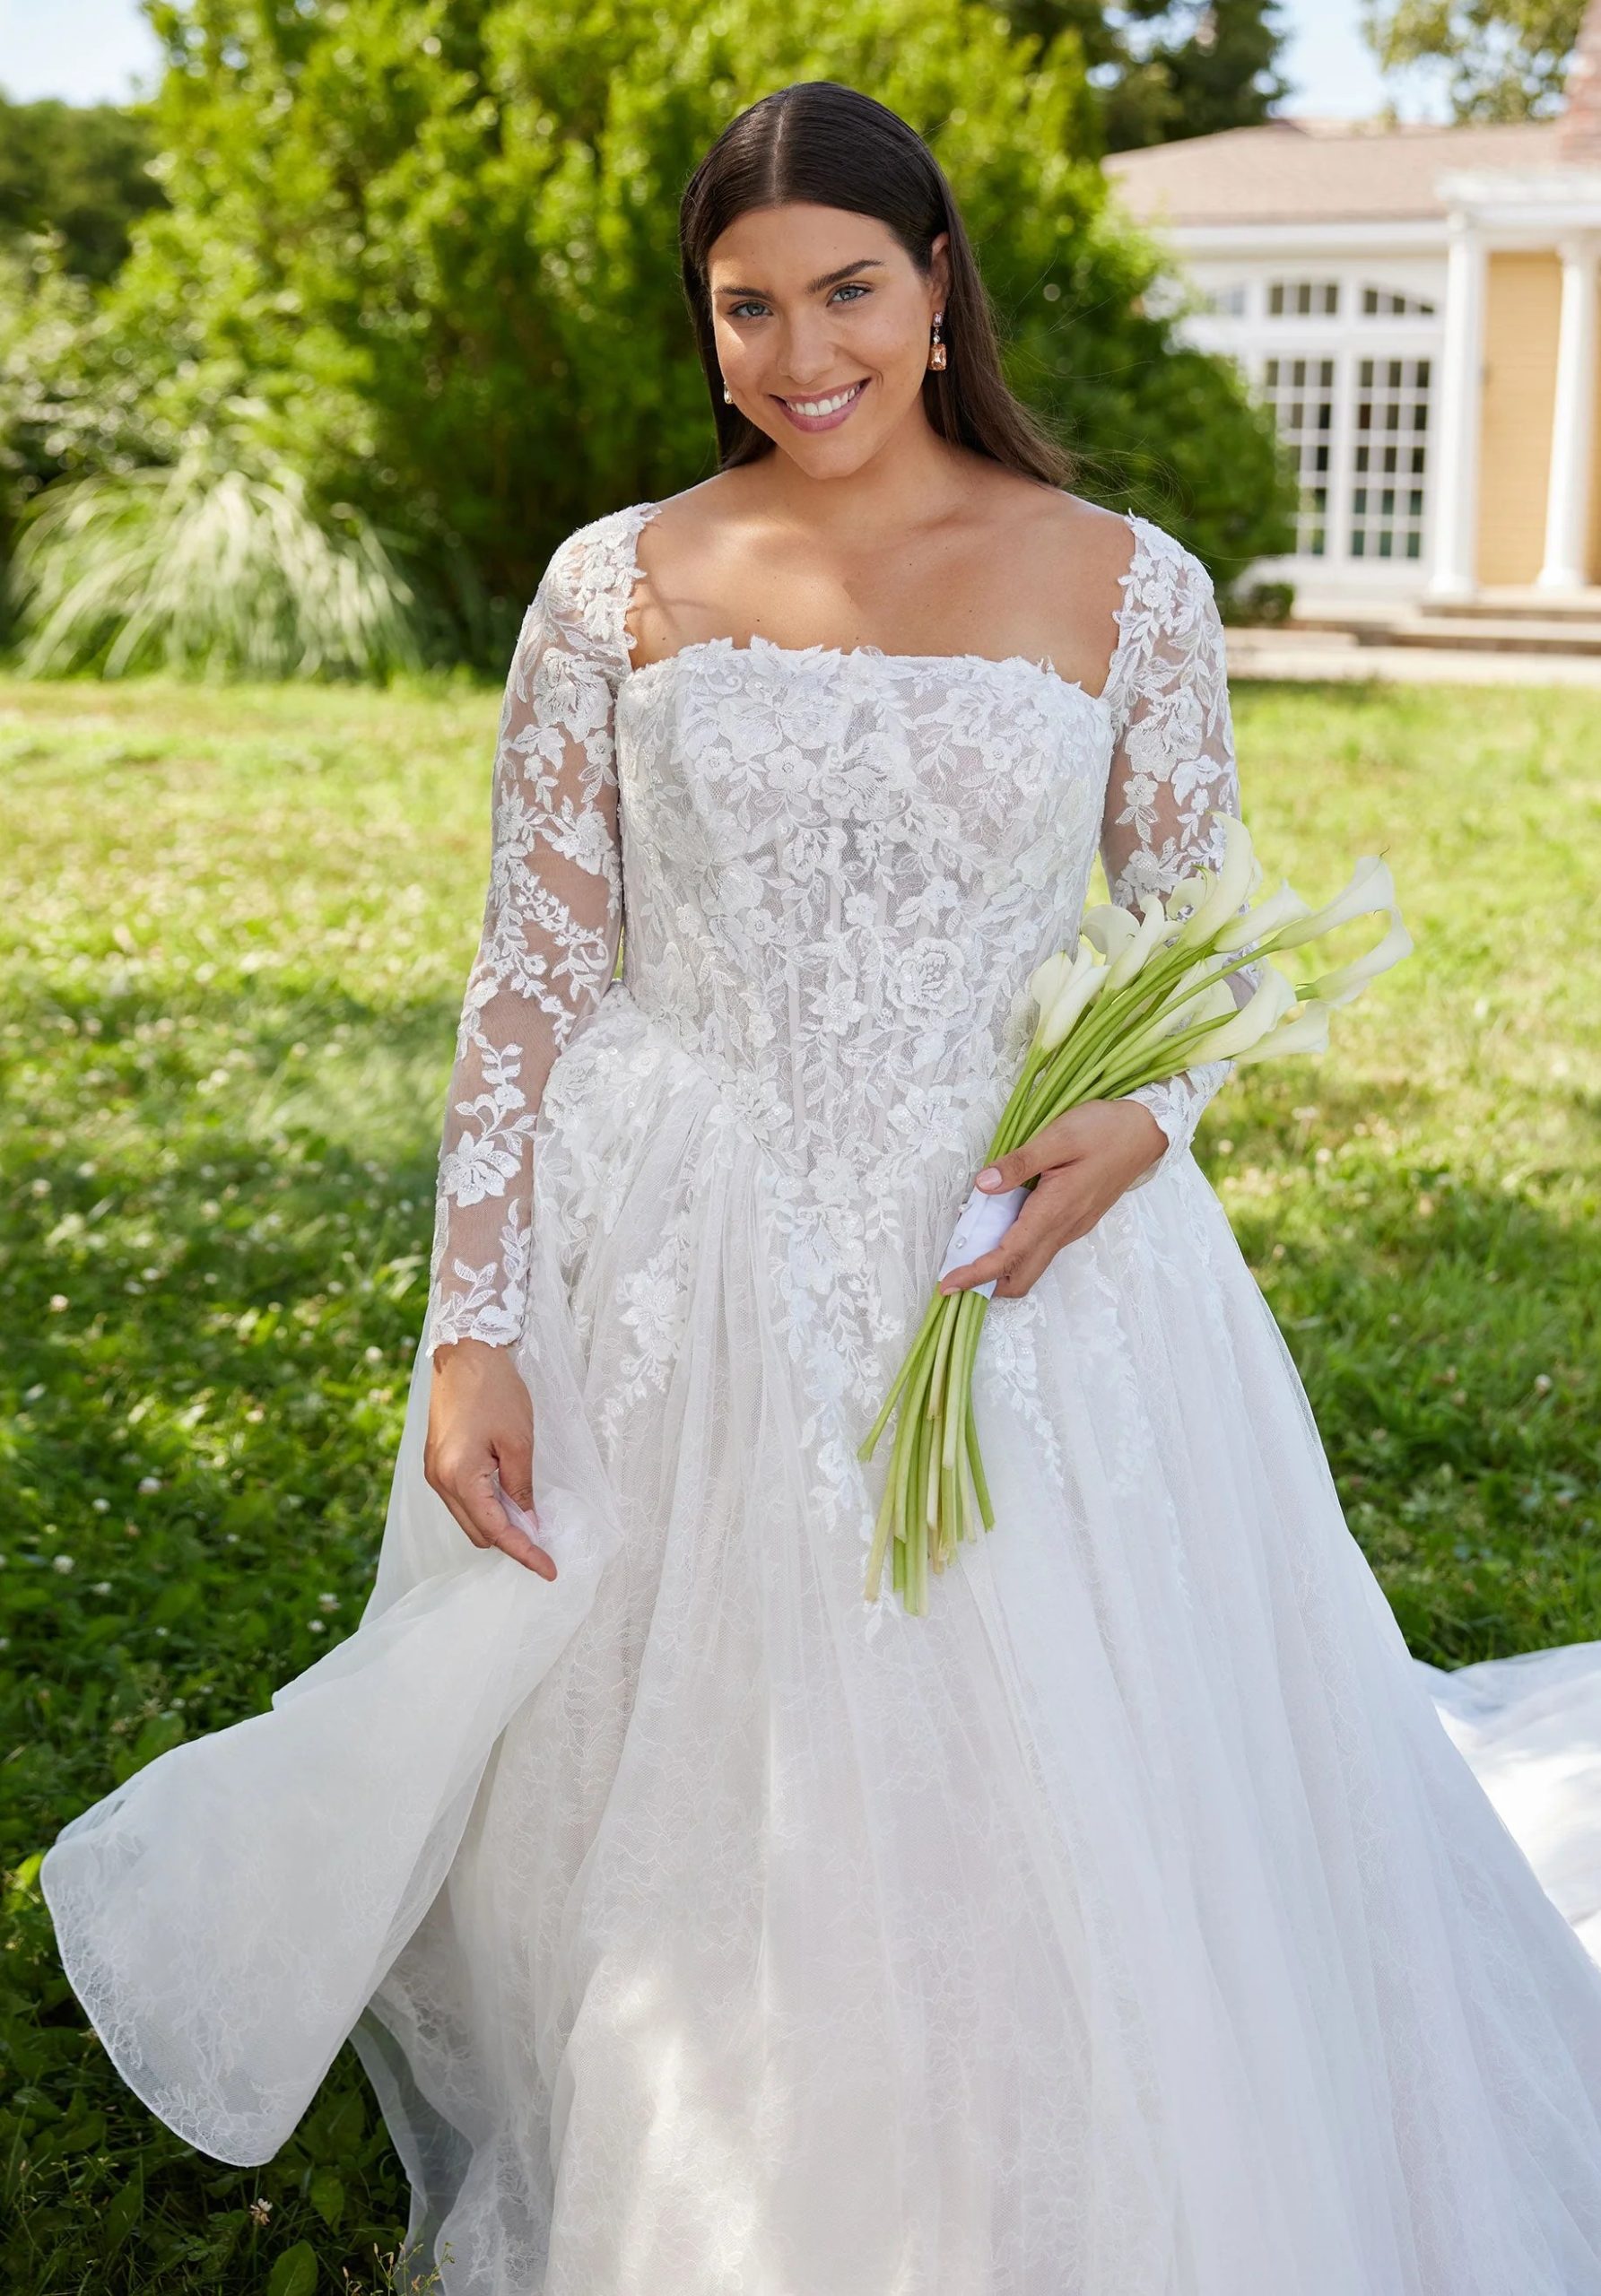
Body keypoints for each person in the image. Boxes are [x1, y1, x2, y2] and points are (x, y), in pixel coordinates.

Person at [41, 79, 1601, 2296]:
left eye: (845, 290)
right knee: (693, 1748)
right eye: (745, 306)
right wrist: (473, 1321)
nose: (799, 355)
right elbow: (531, 970)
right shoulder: (618, 584)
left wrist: (1140, 1121)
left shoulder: (1123, 584)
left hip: (1011, 1257)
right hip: (680, 1248)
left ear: (938, 282)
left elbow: (1210, 933)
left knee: (1048, 1754)